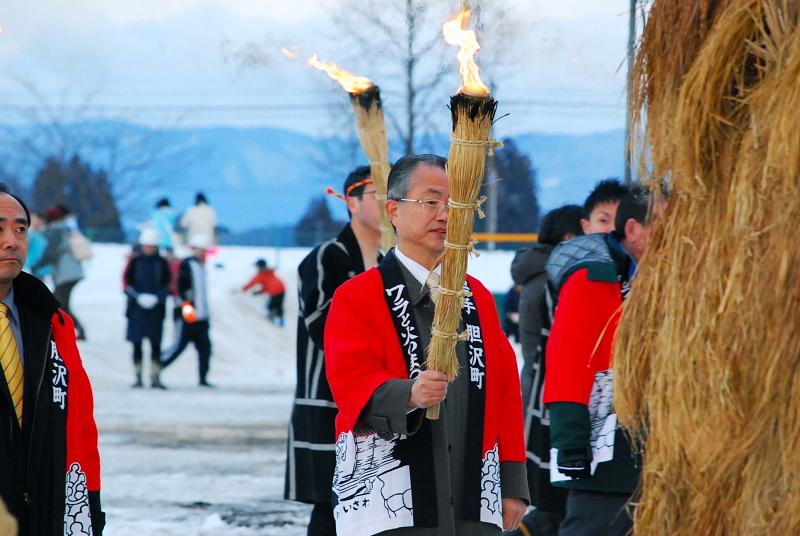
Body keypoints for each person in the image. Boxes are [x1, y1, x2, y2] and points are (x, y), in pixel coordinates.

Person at [324, 154, 529, 535]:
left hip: (473, 487)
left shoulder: (477, 296)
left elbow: (504, 392)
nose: (444, 214)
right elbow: (349, 384)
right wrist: (409, 394)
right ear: (394, 210)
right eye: (430, 201)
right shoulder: (358, 295)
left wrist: (513, 483)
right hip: (394, 494)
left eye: (454, 203)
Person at [543, 187, 651, 536]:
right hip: (604, 450)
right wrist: (571, 442)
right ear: (633, 230)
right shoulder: (594, 277)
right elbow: (568, 360)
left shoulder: (665, 280)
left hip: (654, 452)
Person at [0, 188, 105, 534]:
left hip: (38, 510)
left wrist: (88, 502)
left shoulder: (51, 321)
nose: (12, 242)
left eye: (20, 229)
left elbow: (80, 421)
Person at [284, 165, 382, 536]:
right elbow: (321, 327)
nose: (389, 203)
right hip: (330, 398)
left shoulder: (391, 261)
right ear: (352, 202)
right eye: (378, 195)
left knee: (373, 504)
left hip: (376, 397)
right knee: (332, 507)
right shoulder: (328, 257)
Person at [507, 204, 584, 536]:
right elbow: (542, 352)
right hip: (546, 397)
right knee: (550, 501)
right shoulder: (549, 282)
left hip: (540, 392)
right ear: (569, 238)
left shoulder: (539, 276)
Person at [160, 233, 213, 387]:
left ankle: (203, 378)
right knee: (179, 345)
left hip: (201, 316)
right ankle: (158, 366)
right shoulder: (186, 265)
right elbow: (180, 290)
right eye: (200, 249)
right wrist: (188, 313)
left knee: (205, 349)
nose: (202, 252)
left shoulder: (201, 266)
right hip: (188, 314)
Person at [123, 228, 172, 389]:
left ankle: (155, 376)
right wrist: (136, 296)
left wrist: (158, 297)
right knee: (137, 344)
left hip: (156, 310)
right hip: (136, 309)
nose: (149, 248)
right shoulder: (135, 262)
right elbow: (126, 282)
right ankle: (138, 376)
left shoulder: (162, 263)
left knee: (155, 344)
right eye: (146, 245)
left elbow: (168, 284)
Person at [32, 205, 87, 340]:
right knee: (62, 304)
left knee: (56, 304)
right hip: (72, 272)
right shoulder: (64, 228)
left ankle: (57, 332)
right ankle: (76, 330)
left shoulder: (55, 230)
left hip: (67, 274)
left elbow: (51, 253)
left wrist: (37, 265)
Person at [240, 259, 286, 326]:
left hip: (276, 291)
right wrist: (259, 292)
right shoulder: (269, 272)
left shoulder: (261, 274)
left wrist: (244, 288)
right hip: (281, 289)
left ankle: (274, 320)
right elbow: (268, 285)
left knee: (272, 306)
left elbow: (253, 283)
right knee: (277, 305)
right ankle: (280, 320)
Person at [23, 211, 51, 280]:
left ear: (41, 220)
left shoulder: (46, 233)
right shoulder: (30, 234)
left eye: (34, 219)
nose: (31, 221)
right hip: (32, 269)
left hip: (46, 269)